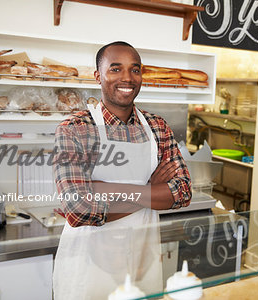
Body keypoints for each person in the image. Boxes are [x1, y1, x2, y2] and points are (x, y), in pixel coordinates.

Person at [52, 41, 192, 300]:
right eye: (115, 69)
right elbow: (79, 210)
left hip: (143, 257)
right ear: (98, 76)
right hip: (89, 264)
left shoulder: (158, 126)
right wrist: (150, 192)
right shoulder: (75, 128)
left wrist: (109, 190)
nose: (127, 78)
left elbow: (182, 192)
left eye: (135, 70)